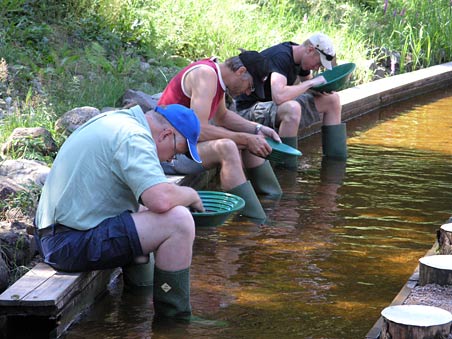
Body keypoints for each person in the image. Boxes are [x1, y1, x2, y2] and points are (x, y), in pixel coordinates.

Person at [34, 104, 204, 323]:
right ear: (166, 134)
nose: (171, 160)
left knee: (147, 213)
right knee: (179, 221)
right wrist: (191, 194)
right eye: (177, 152)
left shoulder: (117, 121)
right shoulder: (133, 137)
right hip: (66, 244)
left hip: (56, 235)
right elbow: (160, 199)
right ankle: (175, 320)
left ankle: (139, 300)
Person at [158, 50, 283, 221]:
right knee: (227, 147)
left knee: (248, 137)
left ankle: (273, 202)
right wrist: (244, 138)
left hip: (183, 148)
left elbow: (222, 116)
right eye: (251, 86)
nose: (248, 92)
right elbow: (199, 130)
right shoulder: (205, 75)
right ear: (240, 72)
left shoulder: (216, 76)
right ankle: (253, 219)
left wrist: (257, 129)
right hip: (169, 153)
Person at [235, 32, 347, 168]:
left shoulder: (300, 58)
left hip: (270, 109)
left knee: (332, 100)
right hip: (245, 111)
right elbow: (279, 96)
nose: (317, 68)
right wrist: (310, 84)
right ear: (310, 50)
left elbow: (310, 87)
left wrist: (326, 88)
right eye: (318, 63)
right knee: (292, 108)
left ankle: (335, 165)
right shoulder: (281, 56)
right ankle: (286, 170)